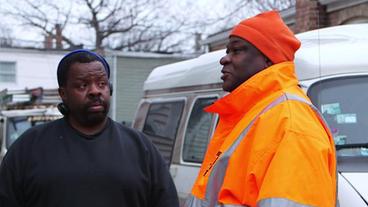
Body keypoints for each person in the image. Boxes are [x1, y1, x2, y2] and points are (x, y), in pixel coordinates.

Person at [185, 11, 337, 207]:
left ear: (268, 59)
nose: (224, 59)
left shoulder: (291, 124)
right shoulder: (250, 116)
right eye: (227, 51)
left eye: (237, 50)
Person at [0, 49, 179, 207]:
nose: (95, 91)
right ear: (63, 93)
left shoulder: (141, 147)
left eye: (101, 84)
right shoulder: (29, 147)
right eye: (83, 85)